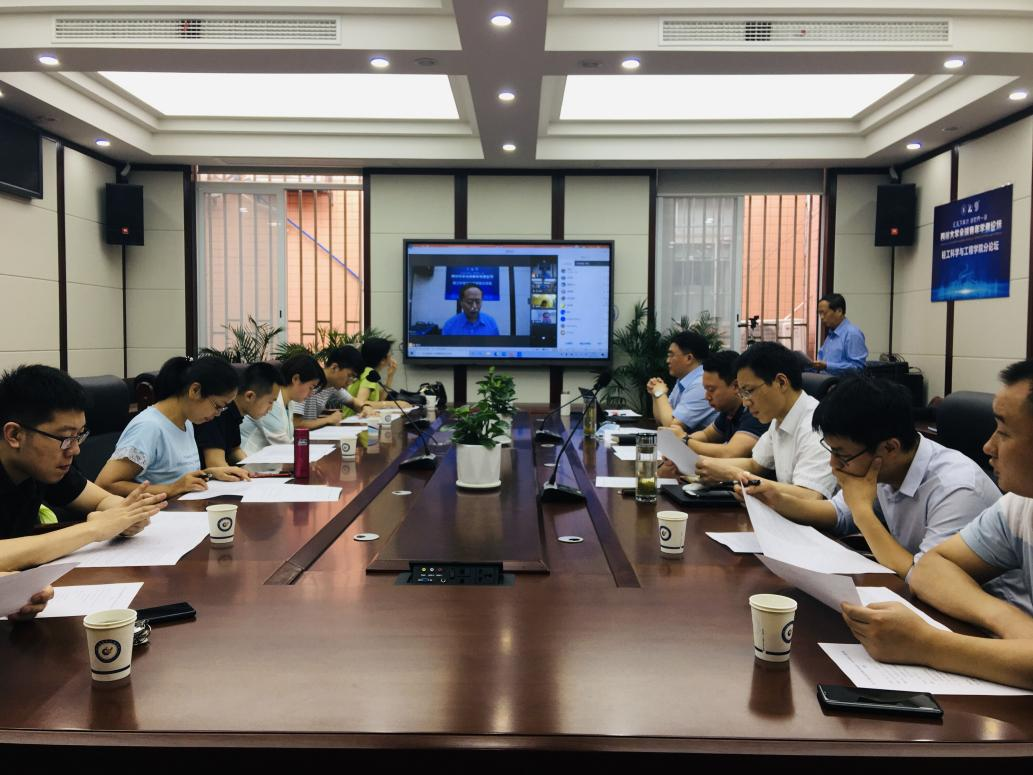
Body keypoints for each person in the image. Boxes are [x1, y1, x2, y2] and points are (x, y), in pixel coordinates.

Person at [839, 361, 1033, 689]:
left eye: (1003, 432)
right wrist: (1008, 620)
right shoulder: (1020, 505)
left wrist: (927, 645)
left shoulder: (960, 483)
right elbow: (930, 568)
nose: (988, 447)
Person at [743, 375, 1005, 579]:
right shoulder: (883, 467)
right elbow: (839, 514)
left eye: (841, 454)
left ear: (889, 448)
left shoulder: (956, 489)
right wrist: (777, 500)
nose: (833, 464)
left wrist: (863, 513)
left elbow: (927, 577)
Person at [0, 365, 165, 571]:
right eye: (66, 437)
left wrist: (124, 515)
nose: (75, 449)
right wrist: (93, 529)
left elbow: (102, 500)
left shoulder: (43, 467)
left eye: (78, 436)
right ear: (15, 435)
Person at [698, 342, 836, 499]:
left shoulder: (814, 426)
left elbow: (810, 495)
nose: (745, 402)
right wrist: (701, 464)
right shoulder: (779, 418)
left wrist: (733, 474)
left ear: (781, 382)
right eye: (742, 394)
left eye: (749, 391)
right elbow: (755, 464)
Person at [97, 357, 250, 498]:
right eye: (217, 406)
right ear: (195, 391)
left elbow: (176, 478)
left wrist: (209, 473)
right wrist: (170, 489)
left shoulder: (186, 423)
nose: (218, 414)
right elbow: (105, 485)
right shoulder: (149, 427)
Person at [195, 362, 284, 468]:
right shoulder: (218, 412)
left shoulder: (235, 414)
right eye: (270, 402)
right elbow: (215, 463)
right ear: (250, 396)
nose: (271, 408)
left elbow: (234, 450)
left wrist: (252, 471)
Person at [240, 354, 324, 455]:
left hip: (269, 458)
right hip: (249, 457)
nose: (311, 394)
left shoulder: (289, 402)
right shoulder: (270, 400)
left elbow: (288, 440)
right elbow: (283, 444)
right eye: (311, 387)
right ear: (296, 379)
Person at [646, 331, 719, 434]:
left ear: (689, 358)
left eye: (671, 355)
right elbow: (661, 421)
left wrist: (660, 393)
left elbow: (671, 427)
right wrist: (655, 394)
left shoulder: (701, 384)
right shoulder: (683, 380)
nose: (667, 360)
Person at [291, 346, 373, 428]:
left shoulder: (332, 386)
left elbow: (353, 402)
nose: (349, 382)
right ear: (334, 367)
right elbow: (296, 424)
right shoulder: (307, 381)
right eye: (349, 376)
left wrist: (365, 407)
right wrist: (328, 419)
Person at [346, 337, 408, 414]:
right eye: (390, 353)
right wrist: (394, 404)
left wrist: (390, 376)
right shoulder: (369, 373)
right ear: (382, 360)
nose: (391, 355)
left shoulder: (367, 371)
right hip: (354, 420)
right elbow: (361, 402)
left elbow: (381, 399)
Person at [812, 293, 867, 374]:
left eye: (824, 313)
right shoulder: (831, 334)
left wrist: (827, 366)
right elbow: (822, 361)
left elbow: (858, 368)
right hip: (824, 379)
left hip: (842, 382)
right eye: (820, 314)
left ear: (839, 311)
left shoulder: (852, 334)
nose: (822, 317)